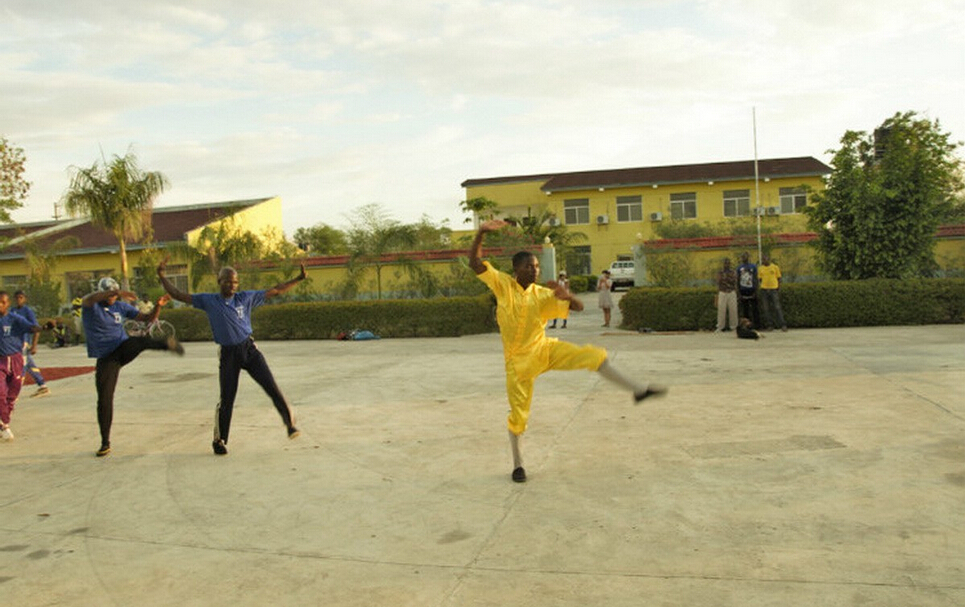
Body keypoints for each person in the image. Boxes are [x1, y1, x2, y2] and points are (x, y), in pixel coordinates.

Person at [469, 219, 667, 483]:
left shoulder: (541, 294)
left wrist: (568, 296)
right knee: (518, 414)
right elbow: (474, 263)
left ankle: (638, 389)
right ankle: (518, 465)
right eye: (530, 266)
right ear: (516, 268)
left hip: (545, 350)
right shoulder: (503, 285)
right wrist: (481, 232)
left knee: (592, 355)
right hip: (518, 364)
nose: (535, 270)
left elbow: (578, 308)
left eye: (537, 266)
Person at [157, 260, 306, 456]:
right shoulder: (209, 301)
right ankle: (219, 440)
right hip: (228, 354)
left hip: (249, 350)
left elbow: (276, 290)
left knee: (271, 386)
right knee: (227, 399)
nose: (232, 286)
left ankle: (289, 425)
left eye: (235, 282)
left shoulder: (246, 298)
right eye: (228, 282)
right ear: (219, 281)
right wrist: (162, 276)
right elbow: (178, 295)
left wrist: (298, 279)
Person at [82, 277, 184, 457]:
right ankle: (105, 442)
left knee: (139, 341)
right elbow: (88, 299)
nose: (114, 299)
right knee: (104, 399)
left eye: (115, 295)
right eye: (110, 295)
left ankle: (166, 344)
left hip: (121, 348)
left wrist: (158, 306)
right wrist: (117, 292)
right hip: (107, 359)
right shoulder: (92, 307)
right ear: (103, 293)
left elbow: (147, 319)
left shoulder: (120, 307)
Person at [0, 291, 40, 441]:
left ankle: (3, 419)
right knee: (1, 393)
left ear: (8, 303)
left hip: (16, 359)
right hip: (1, 360)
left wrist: (44, 328)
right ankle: (5, 425)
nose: (0, 305)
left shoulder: (15, 318)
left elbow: (32, 327)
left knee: (12, 395)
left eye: (3, 302)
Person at [13, 290, 50, 397]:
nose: (18, 300)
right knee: (28, 364)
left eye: (21, 297)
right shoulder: (12, 311)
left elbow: (36, 328)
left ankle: (15, 390)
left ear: (25, 299)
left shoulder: (27, 311)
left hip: (24, 343)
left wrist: (34, 345)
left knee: (22, 366)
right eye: (17, 298)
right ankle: (42, 385)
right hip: (15, 343)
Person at [758, 254, 788, 331]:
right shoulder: (760, 268)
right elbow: (760, 279)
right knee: (766, 308)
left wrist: (778, 287)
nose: (764, 261)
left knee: (777, 307)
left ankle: (783, 324)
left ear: (769, 259)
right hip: (764, 290)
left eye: (766, 259)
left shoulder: (775, 267)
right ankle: (770, 325)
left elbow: (779, 278)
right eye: (763, 259)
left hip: (773, 290)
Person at [736, 252, 760, 329]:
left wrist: (756, 291)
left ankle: (757, 325)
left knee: (755, 309)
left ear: (748, 257)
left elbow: (756, 279)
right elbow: (737, 280)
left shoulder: (753, 266)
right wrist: (739, 293)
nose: (744, 258)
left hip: (752, 289)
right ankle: (747, 326)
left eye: (745, 256)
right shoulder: (739, 268)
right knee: (745, 309)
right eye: (742, 257)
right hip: (743, 290)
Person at [714, 258, 738, 333]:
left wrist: (727, 280)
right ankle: (720, 327)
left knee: (733, 310)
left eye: (728, 263)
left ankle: (733, 327)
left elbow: (734, 281)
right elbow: (718, 281)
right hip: (722, 292)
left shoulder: (733, 272)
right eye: (725, 263)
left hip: (731, 292)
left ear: (730, 264)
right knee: (721, 310)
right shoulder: (720, 272)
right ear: (723, 264)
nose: (726, 265)